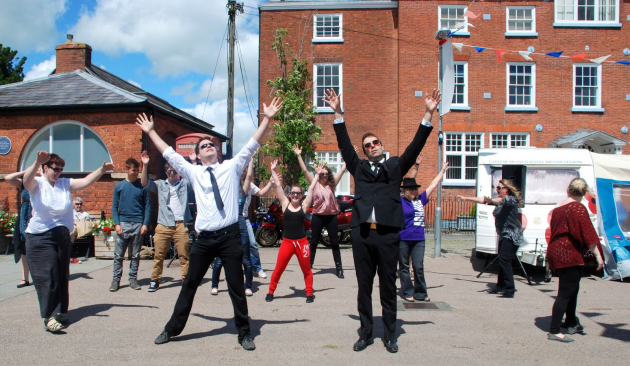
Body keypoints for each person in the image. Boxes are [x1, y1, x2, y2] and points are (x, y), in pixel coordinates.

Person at [136, 96, 282, 350]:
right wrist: (150, 132)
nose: (209, 146)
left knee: (237, 287)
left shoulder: (231, 167)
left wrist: (267, 118)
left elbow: (252, 143)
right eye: (204, 145)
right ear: (197, 154)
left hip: (229, 237)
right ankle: (172, 329)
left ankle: (245, 333)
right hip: (204, 240)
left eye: (212, 143)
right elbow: (169, 153)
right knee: (190, 284)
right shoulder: (193, 171)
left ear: (217, 150)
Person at [326, 87, 440, 353]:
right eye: (367, 145)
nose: (372, 146)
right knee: (364, 287)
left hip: (389, 235)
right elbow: (344, 146)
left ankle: (390, 335)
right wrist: (338, 113)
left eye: (375, 143)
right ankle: (366, 333)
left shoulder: (395, 166)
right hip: (363, 235)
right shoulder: (360, 168)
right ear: (364, 152)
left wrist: (428, 113)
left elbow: (416, 145)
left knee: (388, 286)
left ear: (381, 146)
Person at [22, 152, 113, 332]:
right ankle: (49, 317)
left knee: (61, 275)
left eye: (61, 169)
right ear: (45, 168)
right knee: (47, 276)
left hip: (61, 235)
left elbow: (86, 181)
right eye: (55, 169)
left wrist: (102, 169)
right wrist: (36, 163)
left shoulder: (64, 184)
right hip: (40, 236)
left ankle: (60, 311)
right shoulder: (37, 184)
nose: (59, 172)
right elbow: (26, 181)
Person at [546, 178, 604, 343]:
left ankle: (571, 322)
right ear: (584, 193)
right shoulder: (578, 208)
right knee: (565, 294)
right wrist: (598, 257)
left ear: (568, 190)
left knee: (571, 289)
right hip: (569, 253)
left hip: (556, 250)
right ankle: (554, 331)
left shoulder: (558, 207)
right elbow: (588, 235)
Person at [211, 158, 272, 296]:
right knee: (220, 258)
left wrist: (251, 161)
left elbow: (254, 182)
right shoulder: (228, 185)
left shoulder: (247, 187)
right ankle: (214, 285)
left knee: (249, 251)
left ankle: (251, 281)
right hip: (227, 223)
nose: (241, 174)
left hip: (242, 221)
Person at [458, 179, 524, 298]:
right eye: (496, 187)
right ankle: (500, 286)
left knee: (505, 260)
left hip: (512, 235)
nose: (497, 190)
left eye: (499, 188)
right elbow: (483, 200)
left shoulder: (511, 200)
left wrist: (492, 200)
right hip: (504, 235)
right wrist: (466, 198)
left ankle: (509, 289)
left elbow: (499, 200)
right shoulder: (500, 201)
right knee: (502, 260)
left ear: (506, 189)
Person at [265, 160, 319, 303]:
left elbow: (312, 189)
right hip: (287, 242)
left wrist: (317, 175)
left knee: (306, 269)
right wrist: (273, 170)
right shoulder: (284, 203)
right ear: (290, 194)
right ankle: (271, 292)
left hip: (302, 243)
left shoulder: (305, 205)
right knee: (279, 269)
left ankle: (309, 293)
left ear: (301, 195)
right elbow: (278, 185)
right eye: (293, 193)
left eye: (298, 193)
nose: (295, 195)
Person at [141, 151, 193, 292]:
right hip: (163, 224)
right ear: (166, 172)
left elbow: (195, 178)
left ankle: (185, 281)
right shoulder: (160, 185)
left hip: (180, 224)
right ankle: (155, 280)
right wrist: (145, 165)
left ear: (177, 172)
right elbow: (144, 183)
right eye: (169, 171)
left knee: (184, 255)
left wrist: (193, 162)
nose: (172, 173)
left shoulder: (184, 184)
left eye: (174, 171)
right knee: (159, 255)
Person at [398, 155, 449, 302]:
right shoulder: (400, 200)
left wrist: (442, 172)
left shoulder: (421, 199)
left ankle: (421, 293)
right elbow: (406, 181)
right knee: (404, 267)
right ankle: (408, 292)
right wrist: (415, 167)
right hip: (403, 238)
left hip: (419, 238)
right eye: (412, 189)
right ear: (406, 191)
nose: (415, 190)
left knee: (418, 267)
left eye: (416, 188)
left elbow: (433, 184)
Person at [292, 144, 347, 278]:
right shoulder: (314, 184)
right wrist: (299, 155)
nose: (324, 176)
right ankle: (309, 267)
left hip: (331, 217)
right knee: (314, 242)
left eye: (326, 174)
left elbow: (341, 170)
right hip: (317, 217)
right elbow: (305, 170)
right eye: (322, 174)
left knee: (334, 242)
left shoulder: (331, 185)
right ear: (319, 174)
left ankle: (339, 269)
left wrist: (347, 159)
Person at [110, 157, 150, 292]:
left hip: (138, 224)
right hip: (123, 223)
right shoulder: (119, 187)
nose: (135, 173)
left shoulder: (142, 187)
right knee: (118, 255)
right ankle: (116, 280)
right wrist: (117, 224)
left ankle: (133, 279)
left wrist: (145, 224)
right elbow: (114, 207)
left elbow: (148, 207)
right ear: (127, 170)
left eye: (137, 170)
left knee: (135, 255)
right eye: (133, 170)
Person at [4, 170, 39, 288]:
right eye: (35, 169)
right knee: (23, 246)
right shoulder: (24, 183)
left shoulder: (42, 183)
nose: (36, 171)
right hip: (24, 216)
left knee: (37, 246)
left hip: (37, 215)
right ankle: (25, 278)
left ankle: (40, 276)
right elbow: (8, 178)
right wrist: (25, 172)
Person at [70, 197, 93, 264]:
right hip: (74, 231)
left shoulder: (85, 214)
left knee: (71, 233)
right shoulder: (71, 213)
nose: (79, 206)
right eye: (77, 204)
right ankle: (70, 255)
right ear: (74, 205)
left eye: (80, 204)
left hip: (82, 231)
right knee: (71, 232)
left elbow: (89, 223)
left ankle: (70, 256)